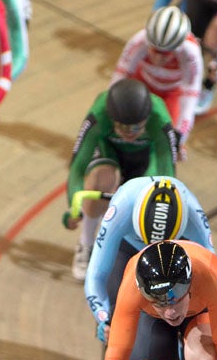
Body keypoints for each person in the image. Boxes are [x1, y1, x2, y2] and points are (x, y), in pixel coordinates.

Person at [82, 177, 215, 360]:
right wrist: (103, 316)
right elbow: (95, 277)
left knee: (188, 302)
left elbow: (212, 276)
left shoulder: (192, 212)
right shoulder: (122, 207)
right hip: (130, 250)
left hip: (177, 252)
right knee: (119, 319)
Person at [64, 78, 180, 281]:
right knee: (101, 180)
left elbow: (168, 173)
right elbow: (77, 166)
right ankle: (86, 243)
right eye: (122, 128)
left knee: (151, 194)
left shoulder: (159, 118)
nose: (129, 134)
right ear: (111, 118)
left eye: (136, 128)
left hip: (145, 157)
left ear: (147, 119)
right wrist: (73, 207)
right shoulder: (99, 115)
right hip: (110, 152)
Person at [110, 6, 203, 153]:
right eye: (155, 50)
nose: (159, 57)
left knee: (169, 145)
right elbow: (119, 78)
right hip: (141, 86)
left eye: (166, 53)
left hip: (171, 94)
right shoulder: (139, 41)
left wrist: (180, 134)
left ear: (178, 47)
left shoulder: (190, 52)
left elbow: (190, 96)